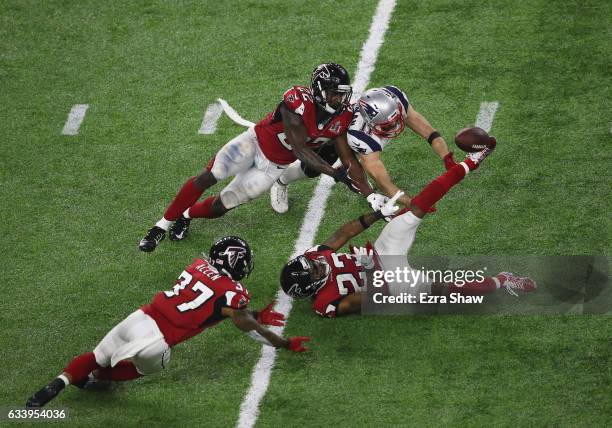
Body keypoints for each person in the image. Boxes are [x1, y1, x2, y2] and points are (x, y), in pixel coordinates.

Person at [26, 236, 310, 407]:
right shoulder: (234, 294)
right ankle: (100, 379)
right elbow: (241, 321)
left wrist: (254, 314)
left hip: (141, 316)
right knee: (144, 367)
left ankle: (59, 382)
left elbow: (213, 306)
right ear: (238, 265)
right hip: (157, 341)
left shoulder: (196, 266)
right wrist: (282, 341)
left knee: (96, 355)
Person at [279, 142, 536, 317]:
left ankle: (471, 162)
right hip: (388, 283)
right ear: (312, 289)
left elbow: (343, 233)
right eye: (313, 271)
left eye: (311, 264)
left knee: (419, 205)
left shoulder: (314, 256)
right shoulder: (327, 304)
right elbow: (367, 299)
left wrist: (378, 214)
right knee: (445, 291)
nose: (316, 264)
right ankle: (501, 280)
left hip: (380, 252)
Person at [139, 63, 375, 252]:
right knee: (208, 176)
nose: (339, 99)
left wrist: (370, 194)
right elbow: (300, 149)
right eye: (335, 94)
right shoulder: (297, 100)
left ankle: (186, 215)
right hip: (252, 144)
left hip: (273, 167)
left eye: (342, 94)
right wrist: (334, 174)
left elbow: (348, 158)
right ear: (319, 90)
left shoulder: (342, 117)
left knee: (223, 205)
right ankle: (160, 226)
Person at [270, 85, 457, 213]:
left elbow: (430, 133)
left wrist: (447, 158)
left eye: (395, 121)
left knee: (363, 178)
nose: (394, 128)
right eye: (387, 126)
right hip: (334, 135)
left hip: (351, 126)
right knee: (314, 168)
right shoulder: (362, 138)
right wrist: (412, 202)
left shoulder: (395, 99)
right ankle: (281, 181)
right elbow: (387, 185)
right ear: (370, 123)